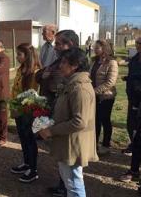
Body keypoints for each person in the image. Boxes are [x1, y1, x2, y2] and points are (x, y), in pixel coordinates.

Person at [39, 48, 99, 197]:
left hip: (73, 144)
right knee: (70, 183)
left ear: (75, 65)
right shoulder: (72, 84)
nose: (60, 66)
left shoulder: (80, 88)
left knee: (74, 185)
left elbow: (79, 122)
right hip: (68, 141)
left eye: (64, 62)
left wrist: (51, 131)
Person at [36, 29, 80, 197]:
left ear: (71, 45)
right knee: (61, 155)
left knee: (69, 160)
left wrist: (49, 78)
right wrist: (44, 75)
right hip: (54, 106)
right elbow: (40, 74)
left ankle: (68, 188)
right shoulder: (58, 61)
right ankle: (64, 185)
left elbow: (58, 82)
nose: (55, 46)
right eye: (55, 43)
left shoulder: (75, 64)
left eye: (60, 43)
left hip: (65, 113)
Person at [10, 43, 41, 183]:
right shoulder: (21, 69)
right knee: (23, 138)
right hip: (18, 109)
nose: (17, 57)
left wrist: (19, 109)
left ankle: (33, 170)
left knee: (30, 140)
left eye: (19, 55)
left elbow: (31, 95)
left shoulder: (35, 72)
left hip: (28, 112)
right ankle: (26, 163)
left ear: (27, 56)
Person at [90, 39, 118, 155]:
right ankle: (94, 145)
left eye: (97, 48)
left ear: (104, 49)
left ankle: (106, 145)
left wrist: (95, 91)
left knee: (104, 120)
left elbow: (110, 82)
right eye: (94, 48)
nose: (95, 50)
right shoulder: (94, 61)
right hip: (94, 96)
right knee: (95, 121)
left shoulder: (112, 63)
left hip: (106, 97)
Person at [119, 37, 141, 183]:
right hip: (133, 97)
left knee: (139, 136)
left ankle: (134, 171)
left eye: (140, 43)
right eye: (138, 43)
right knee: (131, 125)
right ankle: (132, 145)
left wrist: (132, 77)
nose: (137, 45)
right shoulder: (135, 58)